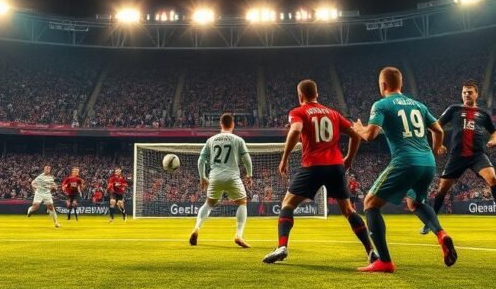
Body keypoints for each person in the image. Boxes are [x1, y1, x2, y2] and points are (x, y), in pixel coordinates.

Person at [350, 67, 457, 273]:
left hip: (405, 160)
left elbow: (370, 135)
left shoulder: (381, 104)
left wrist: (358, 129)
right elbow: (439, 130)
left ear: (383, 85)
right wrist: (434, 150)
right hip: (427, 162)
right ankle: (441, 234)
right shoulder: (418, 105)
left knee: (370, 204)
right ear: (401, 84)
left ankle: (384, 261)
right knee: (414, 202)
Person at [261, 80, 374, 265]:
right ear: (317, 94)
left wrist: (285, 158)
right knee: (348, 210)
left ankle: (282, 246)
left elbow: (295, 131)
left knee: (287, 204)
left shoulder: (298, 112)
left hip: (313, 166)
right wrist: (348, 159)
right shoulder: (334, 113)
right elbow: (355, 135)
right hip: (336, 166)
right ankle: (371, 251)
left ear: (300, 96)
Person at [424, 80, 496, 233]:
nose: (466, 95)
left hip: (477, 154)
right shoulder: (454, 109)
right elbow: (435, 126)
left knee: (493, 179)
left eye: (470, 92)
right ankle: (431, 220)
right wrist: (438, 145)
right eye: (464, 92)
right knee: (442, 189)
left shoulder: (483, 114)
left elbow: (494, 131)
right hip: (457, 155)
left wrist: (492, 140)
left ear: (476, 94)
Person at [191, 113, 253, 248]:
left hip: (215, 176)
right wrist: (249, 175)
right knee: (242, 203)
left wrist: (202, 176)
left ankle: (196, 228)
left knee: (208, 204)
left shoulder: (211, 140)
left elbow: (201, 160)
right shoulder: (238, 140)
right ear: (233, 124)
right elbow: (247, 159)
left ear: (220, 124)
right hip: (232, 176)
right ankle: (238, 235)